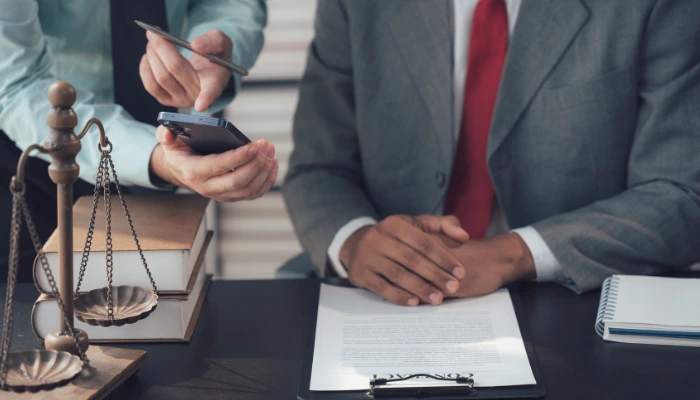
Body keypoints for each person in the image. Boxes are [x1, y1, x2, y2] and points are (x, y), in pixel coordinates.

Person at [283, 0, 700, 306]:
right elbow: (319, 167)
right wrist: (355, 242)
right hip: (393, 305)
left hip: (573, 298)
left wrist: (512, 254)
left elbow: (681, 193)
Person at [0, 0, 277, 282]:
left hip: (164, 165)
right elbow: (15, 86)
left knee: (162, 299)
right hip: (33, 163)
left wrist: (212, 48)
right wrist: (154, 158)